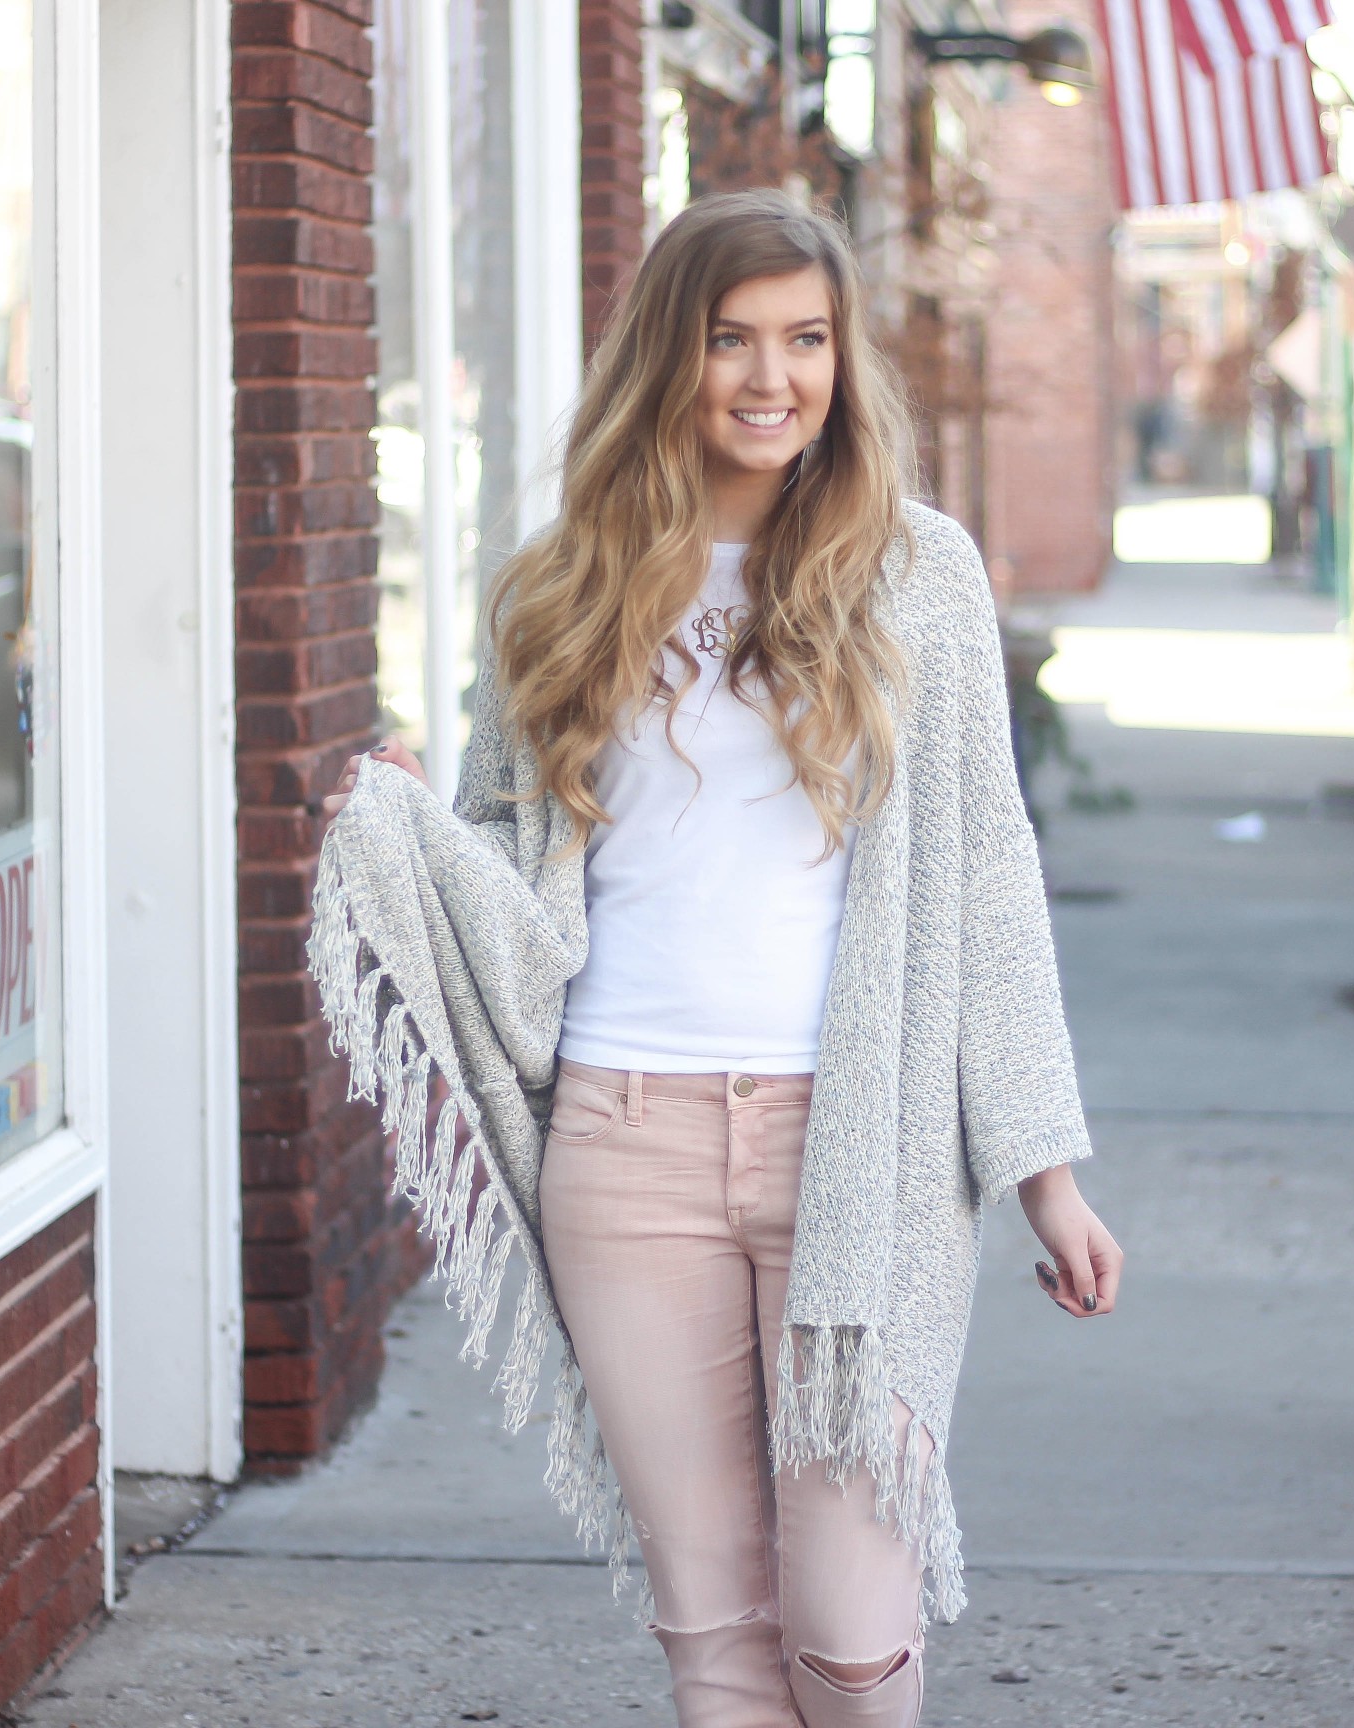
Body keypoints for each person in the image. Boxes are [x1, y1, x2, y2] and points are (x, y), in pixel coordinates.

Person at [310, 190, 1121, 1728]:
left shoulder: (918, 575)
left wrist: (1047, 1172)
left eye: (805, 340)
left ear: (841, 358)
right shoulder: (570, 586)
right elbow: (510, 863)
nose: (772, 377)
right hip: (625, 1147)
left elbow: (989, 877)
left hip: (859, 1147)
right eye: (733, 339)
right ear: (669, 359)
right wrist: (402, 830)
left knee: (850, 1629)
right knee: (716, 1631)